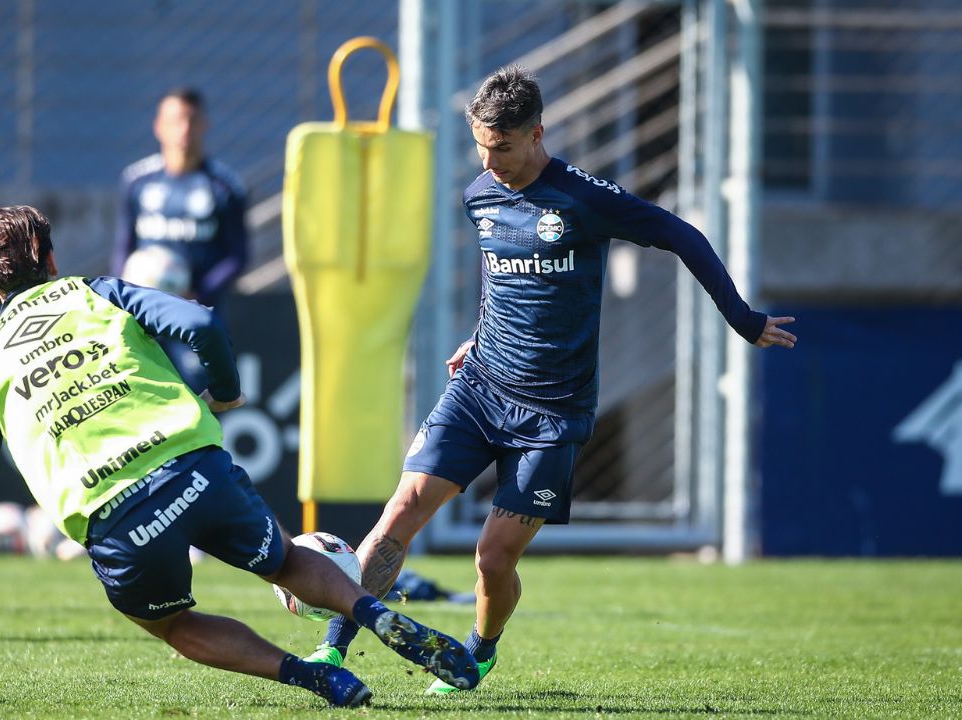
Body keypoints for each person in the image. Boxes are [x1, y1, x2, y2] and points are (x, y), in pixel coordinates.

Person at [303, 67, 798, 693]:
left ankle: (478, 652)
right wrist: (479, 338)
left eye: (502, 147)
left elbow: (681, 234)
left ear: (537, 133)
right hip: (479, 388)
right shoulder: (480, 195)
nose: (490, 160)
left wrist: (742, 317)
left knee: (492, 558)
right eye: (480, 146)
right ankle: (333, 650)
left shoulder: (584, 201)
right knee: (399, 512)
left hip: (553, 414)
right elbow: (504, 281)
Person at [0, 206, 478, 707]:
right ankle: (374, 613)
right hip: (194, 468)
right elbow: (203, 323)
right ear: (48, 256)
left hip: (115, 516)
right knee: (283, 560)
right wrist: (226, 390)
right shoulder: (93, 293)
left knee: (174, 626)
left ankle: (315, 678)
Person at [114, 87, 248, 392]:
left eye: (192, 120)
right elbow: (124, 246)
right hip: (142, 308)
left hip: (195, 311)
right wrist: (123, 292)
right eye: (176, 120)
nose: (184, 129)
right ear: (158, 126)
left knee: (196, 393)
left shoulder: (225, 187)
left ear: (205, 126)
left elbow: (237, 255)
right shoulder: (136, 181)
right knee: (136, 390)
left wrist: (197, 292)